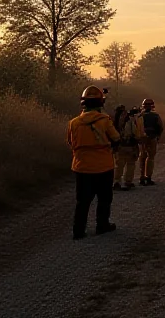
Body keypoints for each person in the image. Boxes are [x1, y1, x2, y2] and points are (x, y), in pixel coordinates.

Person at [66, 85, 120, 240]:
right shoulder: (104, 121)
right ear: (100, 103)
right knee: (104, 198)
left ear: (83, 103)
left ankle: (78, 230)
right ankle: (102, 225)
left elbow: (70, 142)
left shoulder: (73, 123)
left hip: (81, 167)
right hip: (103, 166)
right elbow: (116, 138)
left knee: (82, 201)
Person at [113, 107, 144, 191]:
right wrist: (139, 140)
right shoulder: (130, 121)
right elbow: (135, 133)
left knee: (118, 165)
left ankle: (117, 181)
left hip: (119, 146)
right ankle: (128, 181)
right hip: (130, 146)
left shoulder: (113, 122)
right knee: (130, 164)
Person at [138, 98, 164, 186]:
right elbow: (160, 127)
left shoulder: (139, 115)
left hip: (142, 139)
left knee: (142, 157)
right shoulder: (155, 115)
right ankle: (148, 177)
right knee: (150, 158)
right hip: (152, 138)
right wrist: (158, 136)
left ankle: (142, 177)